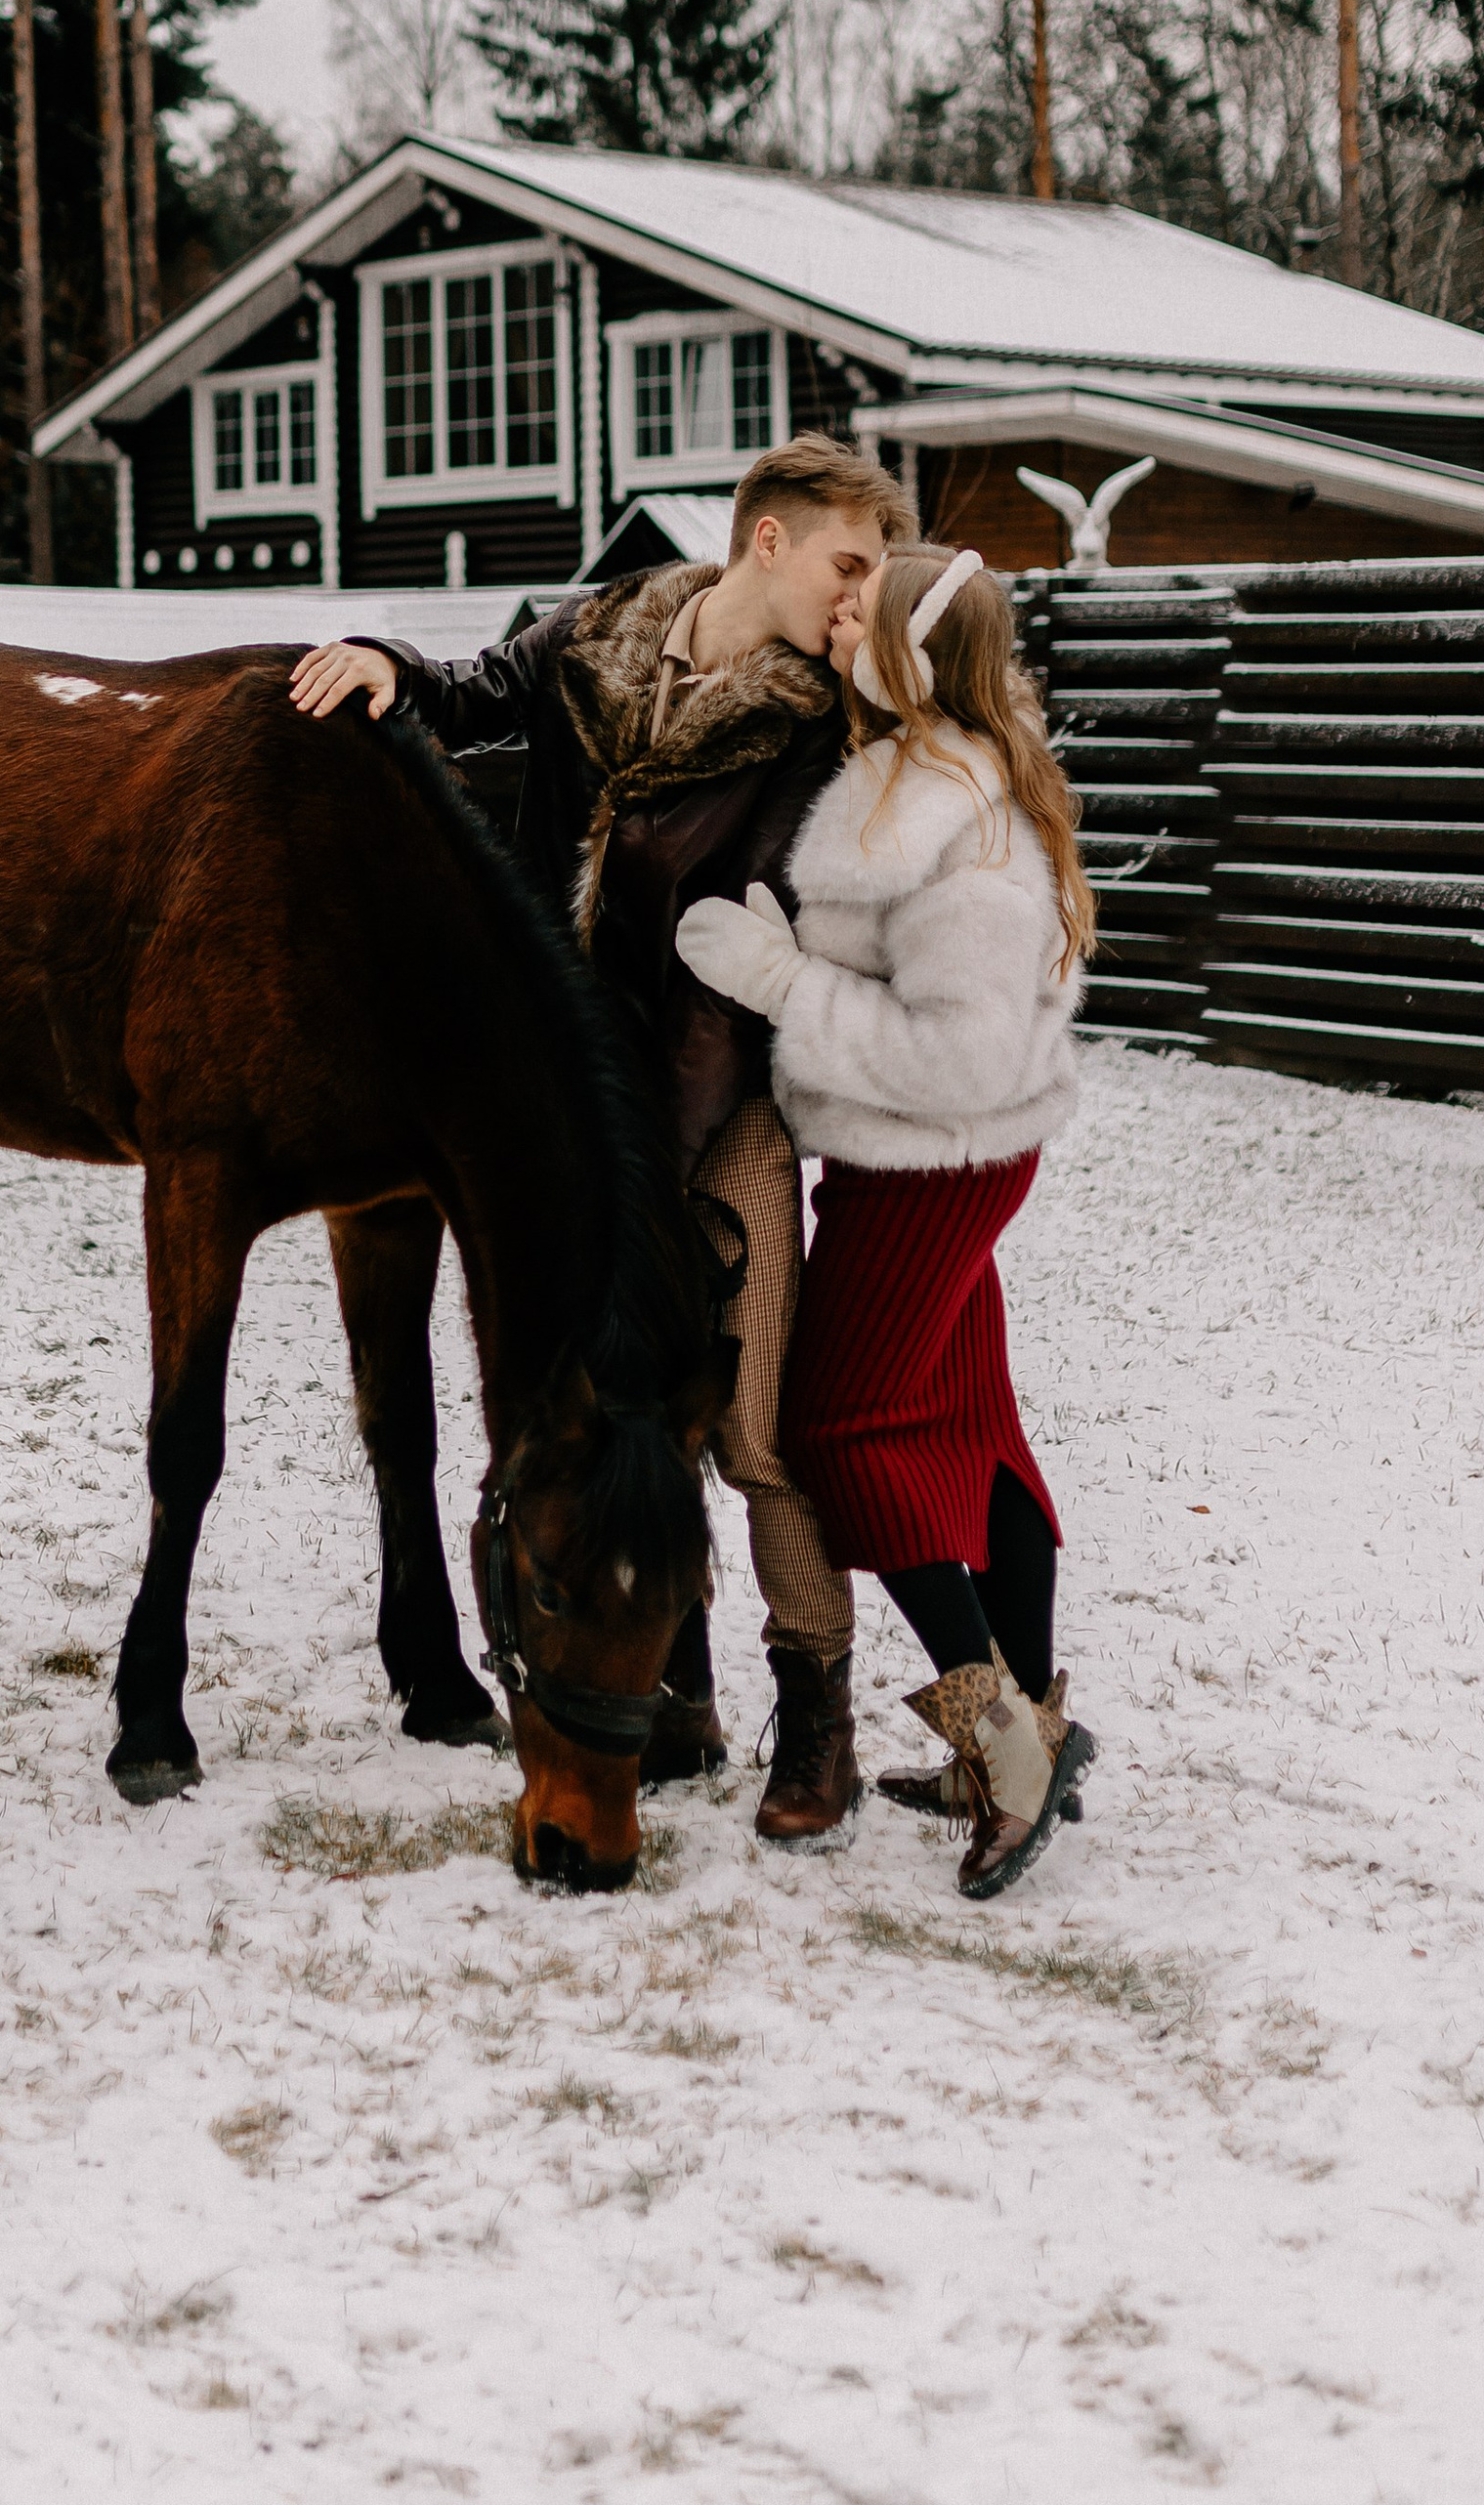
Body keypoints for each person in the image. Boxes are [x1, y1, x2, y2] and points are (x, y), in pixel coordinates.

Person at [288, 433, 914, 1836]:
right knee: (596, 1413)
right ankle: (663, 1683)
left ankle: (815, 1710)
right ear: (768, 539)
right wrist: (392, 662)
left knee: (752, 1431)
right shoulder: (606, 631)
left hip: (716, 1103)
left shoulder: (832, 717)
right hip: (564, 1113)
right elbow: (483, 688)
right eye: (849, 561)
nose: (861, 593)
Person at [674, 541, 1096, 1899]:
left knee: (842, 1427)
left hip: (931, 1157)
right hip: (931, 1158)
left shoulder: (954, 808)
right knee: (973, 1426)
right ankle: (1038, 1719)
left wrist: (781, 975)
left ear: (916, 648)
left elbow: (953, 1053)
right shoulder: (926, 763)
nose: (836, 610)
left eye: (864, 605)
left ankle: (1005, 1758)